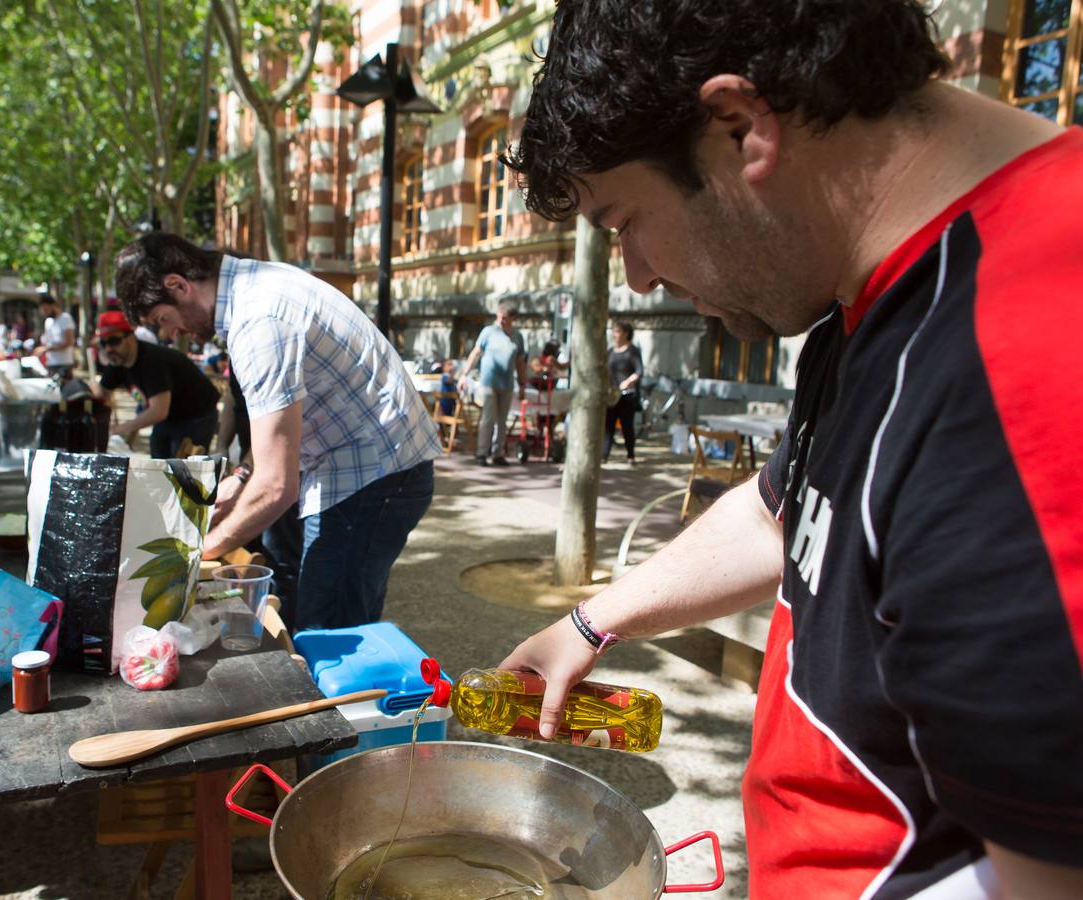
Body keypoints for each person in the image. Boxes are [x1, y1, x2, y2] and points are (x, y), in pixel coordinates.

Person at [498, 1, 1083, 897]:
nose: (639, 274)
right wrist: (591, 622)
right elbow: (789, 513)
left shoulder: (1027, 357)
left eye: (623, 223)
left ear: (739, 130)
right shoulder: (866, 283)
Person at [115, 233, 438, 631]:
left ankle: (344, 694)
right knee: (344, 622)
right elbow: (282, 433)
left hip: (374, 478)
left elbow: (276, 487)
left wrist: (195, 554)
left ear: (178, 286)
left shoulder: (259, 321)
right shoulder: (259, 285)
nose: (172, 333)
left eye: (163, 319)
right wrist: (242, 477)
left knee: (326, 632)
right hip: (373, 470)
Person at [89, 310, 220, 459]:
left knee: (181, 471)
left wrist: (120, 429)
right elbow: (101, 394)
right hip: (169, 416)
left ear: (131, 338)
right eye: (103, 343)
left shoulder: (152, 361)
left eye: (114, 341)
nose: (108, 349)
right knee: (158, 460)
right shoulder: (116, 361)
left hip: (197, 413)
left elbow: (158, 411)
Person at [460, 302, 526, 466]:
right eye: (500, 317)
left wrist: (523, 383)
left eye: (506, 318)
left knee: (502, 421)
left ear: (513, 318)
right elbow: (475, 353)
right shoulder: (488, 332)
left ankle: (498, 453)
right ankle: (482, 453)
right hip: (489, 381)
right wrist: (464, 375)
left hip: (507, 384)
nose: (502, 321)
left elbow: (520, 362)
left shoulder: (517, 336)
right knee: (488, 418)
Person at [603, 322, 643, 464]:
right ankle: (604, 456)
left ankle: (630, 455)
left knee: (627, 426)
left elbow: (639, 371)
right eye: (613, 331)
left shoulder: (633, 351)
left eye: (617, 331)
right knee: (608, 426)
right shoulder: (610, 351)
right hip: (612, 395)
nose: (614, 334)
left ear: (626, 333)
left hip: (627, 395)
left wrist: (629, 381)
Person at [36, 294, 77, 380]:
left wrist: (46, 349)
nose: (44, 312)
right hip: (51, 363)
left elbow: (69, 342)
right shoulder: (48, 321)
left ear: (53, 306)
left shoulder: (66, 318)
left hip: (64, 363)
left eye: (46, 309)